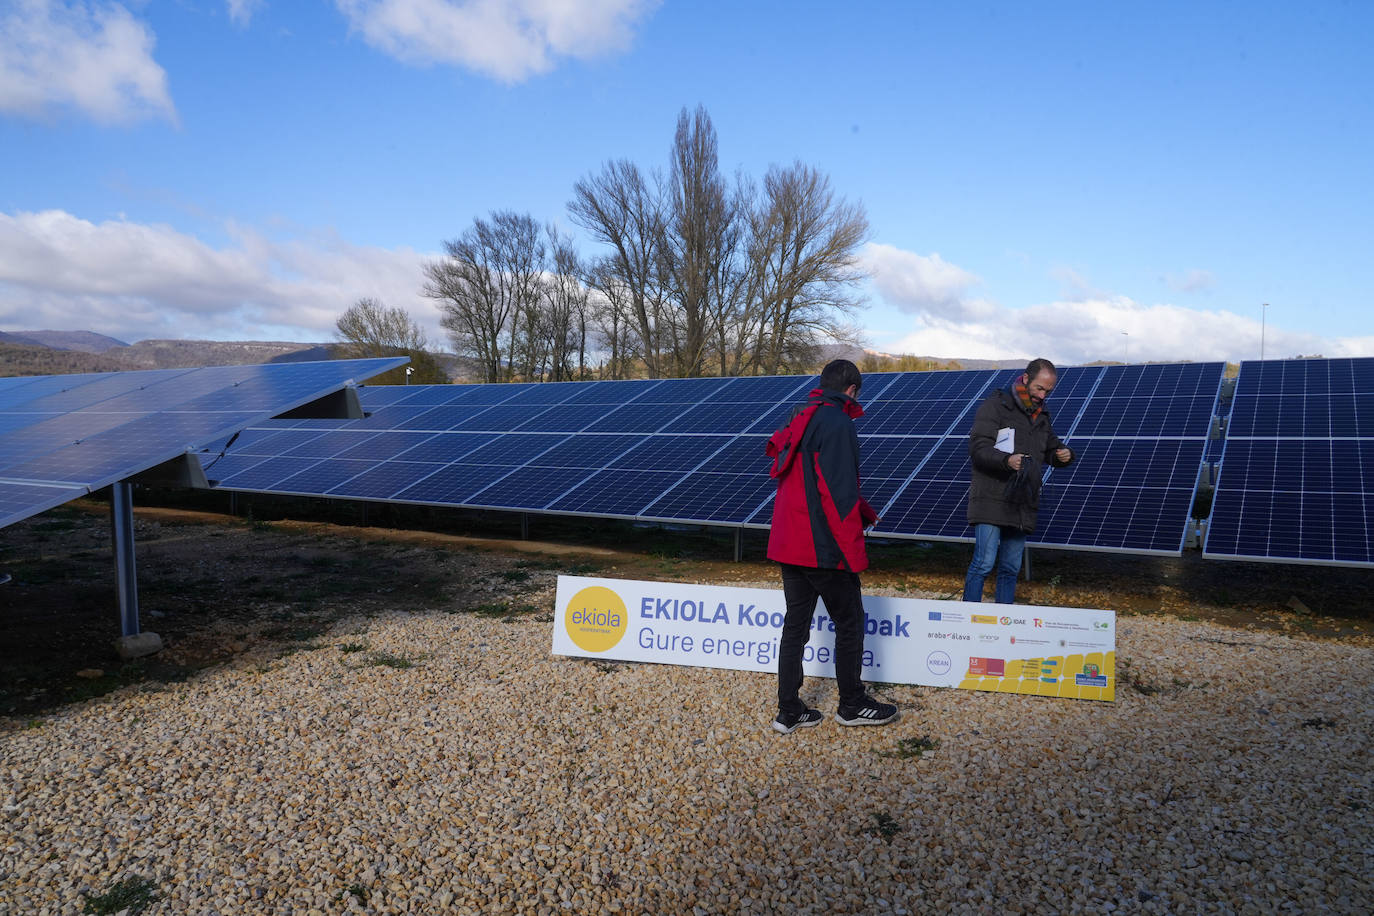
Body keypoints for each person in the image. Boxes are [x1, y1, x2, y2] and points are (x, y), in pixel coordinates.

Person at [765, 358, 898, 734]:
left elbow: (808, 478)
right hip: (821, 545)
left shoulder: (799, 416)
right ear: (852, 390)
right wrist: (854, 552)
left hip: (789, 541)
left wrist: (865, 511)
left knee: (795, 626)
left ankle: (788, 711)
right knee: (851, 622)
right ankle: (852, 704)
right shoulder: (839, 423)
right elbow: (837, 495)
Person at [964, 358, 1074, 604]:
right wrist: (1007, 461)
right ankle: (967, 621)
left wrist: (1063, 455)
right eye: (1039, 388)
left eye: (1048, 391)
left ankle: (1004, 623)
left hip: (1022, 501)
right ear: (1025, 379)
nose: (1042, 395)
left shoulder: (1041, 416)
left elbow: (1049, 448)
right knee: (983, 563)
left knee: (1010, 568)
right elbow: (978, 447)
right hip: (992, 498)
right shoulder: (995, 406)